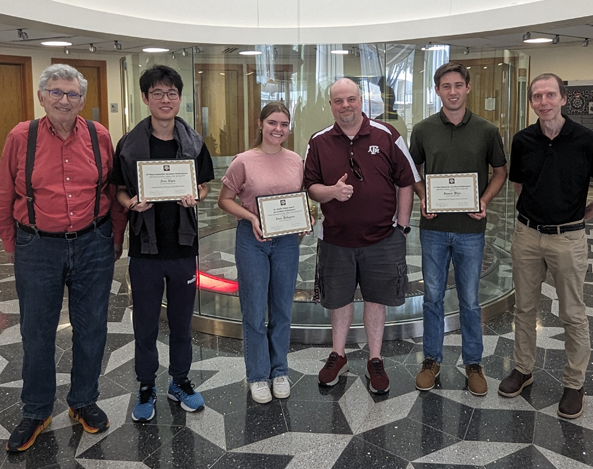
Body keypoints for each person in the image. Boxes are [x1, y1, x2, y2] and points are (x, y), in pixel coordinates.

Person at [0, 64, 127, 452]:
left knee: (92, 327)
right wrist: (11, 242)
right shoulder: (22, 136)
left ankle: (83, 400)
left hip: (92, 242)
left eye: (72, 94)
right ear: (41, 97)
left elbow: (110, 188)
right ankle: (36, 410)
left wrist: (114, 236)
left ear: (82, 100)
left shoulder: (99, 135)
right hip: (39, 247)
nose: (64, 100)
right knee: (36, 332)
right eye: (56, 92)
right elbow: (2, 194)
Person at [498, 73, 593, 418]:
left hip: (568, 238)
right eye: (537, 96)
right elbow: (519, 184)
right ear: (532, 102)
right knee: (524, 308)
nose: (544, 102)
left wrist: (581, 217)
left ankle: (574, 382)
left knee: (572, 313)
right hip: (527, 236)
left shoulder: (587, 141)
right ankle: (523, 369)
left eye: (550, 95)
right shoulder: (523, 140)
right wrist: (537, 214)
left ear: (564, 99)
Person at [304, 78, 420, 394]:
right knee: (338, 301)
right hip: (335, 240)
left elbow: (406, 181)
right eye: (338, 101)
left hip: (383, 238)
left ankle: (375, 358)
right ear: (331, 105)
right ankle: (338, 354)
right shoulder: (318, 141)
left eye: (351, 99)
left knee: (376, 299)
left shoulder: (387, 135)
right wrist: (331, 192)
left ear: (361, 100)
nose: (345, 106)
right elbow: (310, 186)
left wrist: (403, 227)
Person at [112, 65, 214, 421]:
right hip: (146, 248)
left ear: (180, 98)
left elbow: (203, 184)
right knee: (145, 323)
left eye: (171, 93)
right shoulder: (129, 144)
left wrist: (195, 196)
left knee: (183, 323)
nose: (165, 99)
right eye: (157, 93)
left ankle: (180, 381)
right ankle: (145, 384)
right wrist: (130, 204)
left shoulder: (194, 142)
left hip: (183, 247)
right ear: (145, 98)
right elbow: (120, 189)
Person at [409, 62, 507, 396]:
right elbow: (413, 171)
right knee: (433, 297)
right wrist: (424, 197)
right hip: (433, 228)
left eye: (458, 85)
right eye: (445, 86)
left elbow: (500, 171)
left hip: (470, 230)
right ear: (437, 91)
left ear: (467, 88)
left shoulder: (486, 130)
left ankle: (474, 364)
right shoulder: (423, 130)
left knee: (469, 300)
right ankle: (431, 360)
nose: (452, 91)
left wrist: (484, 200)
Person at [218, 101, 304, 403]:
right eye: (272, 123)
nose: (278, 129)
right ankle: (257, 374)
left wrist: (303, 218)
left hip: (286, 241)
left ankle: (280, 370)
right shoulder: (244, 161)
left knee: (282, 308)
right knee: (254, 310)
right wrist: (251, 217)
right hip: (252, 239)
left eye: (283, 124)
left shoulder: (295, 160)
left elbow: (298, 198)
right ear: (260, 124)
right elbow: (225, 199)